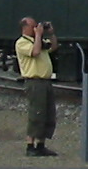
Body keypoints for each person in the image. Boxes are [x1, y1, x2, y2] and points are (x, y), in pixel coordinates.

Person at [16, 16, 59, 156]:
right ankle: (30, 146)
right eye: (33, 26)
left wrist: (51, 33)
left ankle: (41, 145)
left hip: (45, 82)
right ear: (25, 28)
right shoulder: (21, 43)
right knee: (36, 113)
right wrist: (39, 34)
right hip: (34, 82)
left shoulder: (38, 41)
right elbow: (35, 52)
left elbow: (53, 47)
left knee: (47, 113)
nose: (35, 28)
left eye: (37, 26)